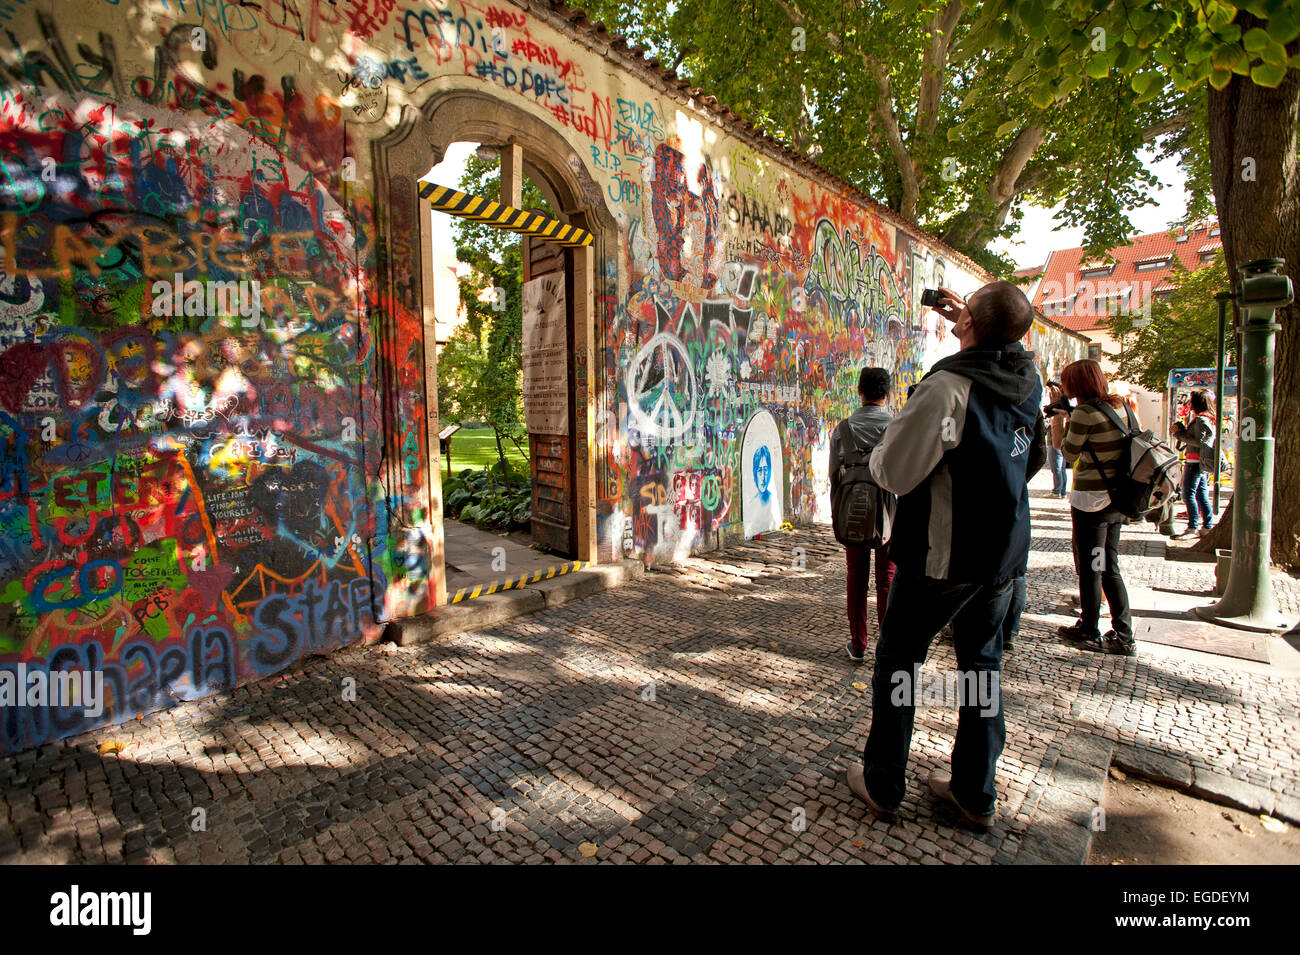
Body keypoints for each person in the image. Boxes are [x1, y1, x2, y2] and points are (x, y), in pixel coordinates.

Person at [845, 281, 1044, 830]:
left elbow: (894, 472)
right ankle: (974, 792)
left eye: (969, 311)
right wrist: (974, 322)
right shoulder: (1029, 379)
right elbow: (1031, 461)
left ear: (974, 327)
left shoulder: (948, 388)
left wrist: (891, 447)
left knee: (900, 662)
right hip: (1001, 557)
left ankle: (884, 783)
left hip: (941, 558)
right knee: (981, 664)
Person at [1054, 359, 1136, 656]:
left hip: (1092, 502)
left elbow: (1067, 453)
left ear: (1076, 384)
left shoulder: (1086, 413)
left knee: (1090, 567)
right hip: (1118, 499)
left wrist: (1060, 419)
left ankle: (1089, 629)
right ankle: (1124, 633)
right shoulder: (1122, 407)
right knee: (1107, 564)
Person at [829, 367, 898, 663]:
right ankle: (888, 644)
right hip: (890, 512)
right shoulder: (898, 427)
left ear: (860, 392)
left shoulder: (842, 428)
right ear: (888, 394)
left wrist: (839, 508)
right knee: (887, 578)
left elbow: (834, 474)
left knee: (856, 577)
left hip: (853, 509)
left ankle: (858, 643)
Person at [1172, 390, 1217, 539]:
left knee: (1188, 494)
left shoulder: (1201, 420)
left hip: (1195, 461)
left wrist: (1179, 434)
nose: (1189, 404)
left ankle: (1192, 527)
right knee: (1201, 495)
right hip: (1199, 461)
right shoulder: (1206, 418)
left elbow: (1199, 442)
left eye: (1191, 401)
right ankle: (1207, 526)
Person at [1046, 380, 1070, 498]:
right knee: (1061, 468)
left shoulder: (1067, 412)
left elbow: (1057, 443)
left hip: (1055, 440)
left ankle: (1057, 491)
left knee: (1057, 468)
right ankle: (1062, 490)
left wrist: (1055, 410)